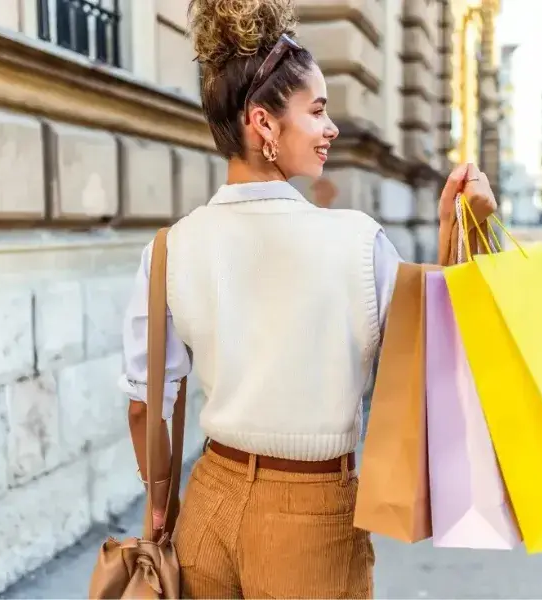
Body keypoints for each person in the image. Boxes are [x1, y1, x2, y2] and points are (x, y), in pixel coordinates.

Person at [120, 0, 498, 597]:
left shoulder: (169, 249)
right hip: (312, 511)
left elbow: (146, 405)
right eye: (317, 111)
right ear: (264, 123)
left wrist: (161, 505)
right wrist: (458, 232)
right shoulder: (356, 241)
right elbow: (434, 361)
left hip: (208, 501)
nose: (332, 128)